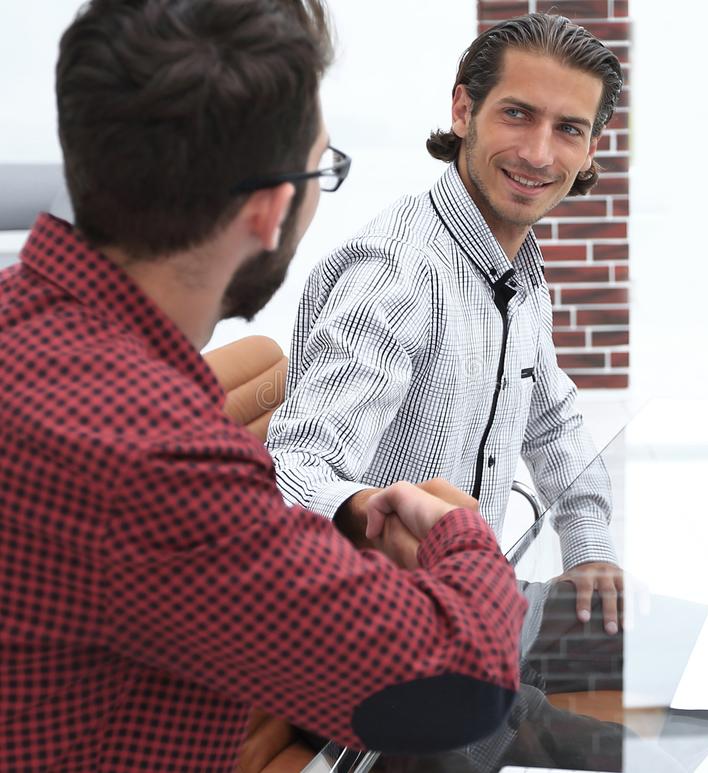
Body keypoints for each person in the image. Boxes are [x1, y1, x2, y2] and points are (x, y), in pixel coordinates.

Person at [0, 1, 528, 769]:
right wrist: (459, 531)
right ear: (271, 208)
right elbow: (464, 685)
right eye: (323, 169)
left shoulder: (26, 321)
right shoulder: (156, 463)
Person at [268, 12, 625, 632]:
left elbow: (552, 421)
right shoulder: (401, 271)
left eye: (568, 129)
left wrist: (588, 545)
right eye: (517, 114)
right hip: (375, 636)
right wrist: (370, 514)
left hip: (465, 612)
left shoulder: (515, 264)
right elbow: (292, 471)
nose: (539, 154)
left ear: (590, 149)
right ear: (463, 111)